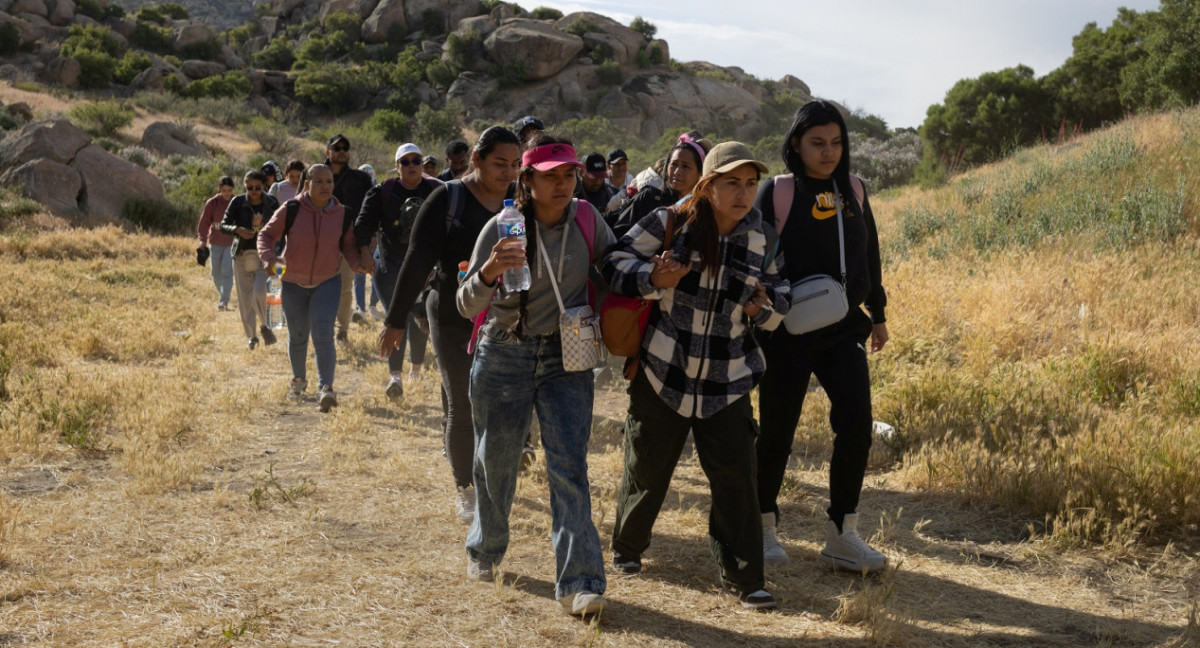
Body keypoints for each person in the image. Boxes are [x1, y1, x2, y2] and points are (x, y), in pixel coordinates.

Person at [601, 141, 790, 611]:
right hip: (664, 370)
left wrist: (763, 309)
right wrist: (653, 279)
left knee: (736, 478)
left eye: (750, 184)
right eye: (731, 183)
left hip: (729, 379)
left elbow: (782, 295)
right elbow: (612, 263)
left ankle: (746, 578)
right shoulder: (671, 221)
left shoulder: (762, 236)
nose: (743, 193)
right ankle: (627, 548)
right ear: (708, 186)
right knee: (646, 464)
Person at [456, 134, 615, 617]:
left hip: (566, 357)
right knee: (496, 460)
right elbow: (465, 304)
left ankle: (580, 582)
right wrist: (485, 273)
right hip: (505, 351)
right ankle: (485, 549)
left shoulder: (588, 220)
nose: (563, 184)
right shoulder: (501, 228)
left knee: (568, 465)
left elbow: (617, 268)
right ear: (527, 180)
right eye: (551, 176)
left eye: (568, 174)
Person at [754, 99, 890, 573]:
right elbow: (751, 253)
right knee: (776, 432)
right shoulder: (777, 192)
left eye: (835, 142)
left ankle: (842, 534)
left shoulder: (853, 188)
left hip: (842, 330)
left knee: (856, 424)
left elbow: (868, 251)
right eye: (817, 143)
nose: (828, 152)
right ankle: (762, 526)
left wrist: (878, 313)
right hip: (785, 333)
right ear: (796, 143)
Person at [378, 126, 521, 521]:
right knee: (462, 400)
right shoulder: (447, 197)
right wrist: (395, 320)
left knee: (498, 405)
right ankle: (466, 489)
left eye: (514, 165)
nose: (507, 172)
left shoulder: (521, 202)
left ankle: (492, 474)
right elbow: (417, 260)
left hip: (505, 317)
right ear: (476, 159)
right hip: (452, 313)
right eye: (498, 164)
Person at [257, 164, 363, 412]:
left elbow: (348, 245)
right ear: (307, 185)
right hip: (292, 280)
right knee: (298, 335)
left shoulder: (342, 213)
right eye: (319, 182)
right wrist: (268, 258)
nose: (326, 186)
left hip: (327, 281)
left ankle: (326, 388)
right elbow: (266, 235)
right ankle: (299, 379)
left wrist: (358, 262)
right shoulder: (292, 208)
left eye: (329, 182)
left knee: (323, 333)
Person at [356, 143, 441, 399]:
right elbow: (363, 224)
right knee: (397, 315)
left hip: (426, 266)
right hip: (390, 263)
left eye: (417, 161)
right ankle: (395, 377)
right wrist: (364, 253)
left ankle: (415, 369)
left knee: (419, 316)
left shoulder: (436, 190)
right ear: (397, 167)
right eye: (405, 162)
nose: (412, 166)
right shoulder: (383, 192)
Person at [604, 132, 711, 239]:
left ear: (700, 173)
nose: (677, 172)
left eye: (686, 166)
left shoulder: (703, 210)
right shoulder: (650, 197)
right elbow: (618, 238)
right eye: (673, 164)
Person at [220, 170, 281, 349]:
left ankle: (264, 325)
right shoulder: (238, 202)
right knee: (245, 300)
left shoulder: (272, 203)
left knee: (260, 292)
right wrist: (237, 230)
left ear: (264, 186)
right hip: (242, 255)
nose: (253, 191)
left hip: (266, 255)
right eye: (249, 187)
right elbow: (223, 225)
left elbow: (281, 226)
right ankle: (252, 337)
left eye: (257, 187)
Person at [325, 134, 375, 342]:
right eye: (337, 148)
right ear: (328, 151)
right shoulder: (314, 174)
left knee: (345, 289)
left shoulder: (361, 179)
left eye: (346, 148)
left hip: (348, 243)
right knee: (318, 288)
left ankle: (342, 330)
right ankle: (323, 329)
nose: (342, 151)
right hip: (318, 242)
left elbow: (370, 212)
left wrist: (368, 241)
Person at [198, 176, 235, 311]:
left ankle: (224, 301)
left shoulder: (237, 202)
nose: (226, 193)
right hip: (215, 242)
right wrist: (203, 240)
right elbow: (204, 223)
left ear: (233, 190)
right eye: (224, 190)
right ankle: (224, 295)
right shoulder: (212, 203)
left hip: (231, 242)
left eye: (229, 190)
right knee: (215, 274)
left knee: (227, 271)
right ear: (219, 190)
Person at [352, 163, 380, 326]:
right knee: (359, 274)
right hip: (359, 239)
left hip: (376, 238)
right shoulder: (354, 195)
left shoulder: (378, 192)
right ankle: (360, 308)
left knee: (376, 273)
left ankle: (373, 305)